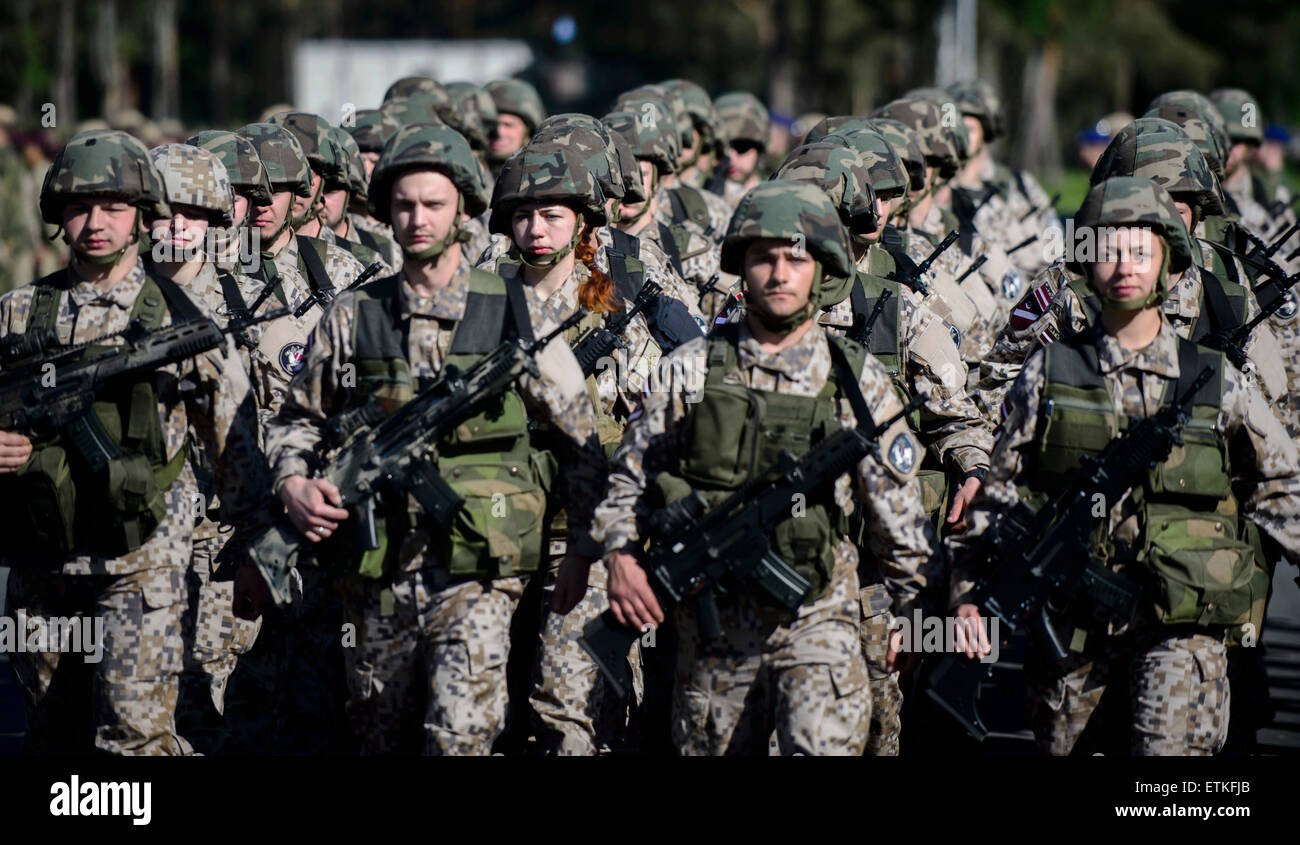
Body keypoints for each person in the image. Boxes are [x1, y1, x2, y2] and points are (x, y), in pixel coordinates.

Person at [250, 123, 607, 755]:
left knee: (461, 736)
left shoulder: (515, 311)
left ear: (463, 210)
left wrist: (582, 550)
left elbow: (579, 434)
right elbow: (296, 421)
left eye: (434, 204)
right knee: (377, 733)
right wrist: (293, 483)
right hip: (376, 571)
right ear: (385, 211)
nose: (418, 218)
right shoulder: (354, 315)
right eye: (405, 204)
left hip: (479, 573)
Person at [587, 180, 942, 755]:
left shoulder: (856, 379)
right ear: (741, 268)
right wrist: (622, 561)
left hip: (819, 623)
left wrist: (913, 610)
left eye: (795, 258)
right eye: (763, 258)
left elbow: (898, 518)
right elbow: (628, 479)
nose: (779, 273)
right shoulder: (692, 369)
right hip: (713, 636)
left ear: (822, 268)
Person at [948, 176, 1300, 755]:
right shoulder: (1051, 373)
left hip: (1181, 634)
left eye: (1142, 250)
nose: (1125, 266)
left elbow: (1281, 482)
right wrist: (967, 595)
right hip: (1072, 635)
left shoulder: (1213, 379)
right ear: (1086, 263)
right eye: (1108, 249)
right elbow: (1000, 497)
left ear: (1168, 262)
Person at [0, 129, 265, 755]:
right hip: (43, 562)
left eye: (115, 207)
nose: (96, 222)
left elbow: (234, 440)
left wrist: (256, 546)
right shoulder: (16, 312)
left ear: (143, 215)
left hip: (143, 562)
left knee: (134, 734)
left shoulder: (179, 319)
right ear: (58, 214)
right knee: (52, 735)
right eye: (80, 206)